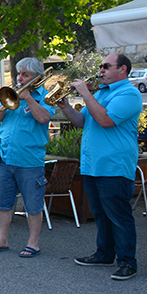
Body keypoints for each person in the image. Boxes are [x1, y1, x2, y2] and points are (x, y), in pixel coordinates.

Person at [57, 53, 141, 280]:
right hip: (93, 164)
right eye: (101, 66)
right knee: (100, 214)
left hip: (114, 164)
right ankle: (104, 254)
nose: (101, 70)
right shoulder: (102, 93)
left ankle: (127, 262)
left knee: (119, 215)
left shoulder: (129, 94)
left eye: (106, 66)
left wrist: (85, 93)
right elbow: (82, 121)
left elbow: (105, 120)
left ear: (122, 69)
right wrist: (66, 108)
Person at [0, 57, 54, 258]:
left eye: (25, 75)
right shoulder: (12, 95)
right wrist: (6, 102)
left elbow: (43, 118)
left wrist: (29, 98)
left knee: (33, 205)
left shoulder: (45, 97)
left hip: (30, 161)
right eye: (19, 74)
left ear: (37, 78)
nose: (20, 78)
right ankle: (2, 239)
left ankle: (33, 243)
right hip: (7, 159)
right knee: (2, 203)